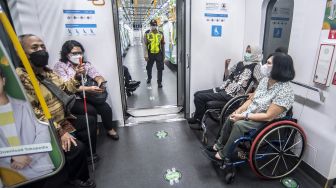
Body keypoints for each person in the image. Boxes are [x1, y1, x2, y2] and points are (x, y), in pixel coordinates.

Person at [16, 34, 95, 188]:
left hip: (61, 118)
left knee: (89, 121)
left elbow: (66, 88)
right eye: (34, 47)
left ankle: (82, 161)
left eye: (42, 46)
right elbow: (34, 112)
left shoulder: (47, 72)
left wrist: (77, 77)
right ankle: (76, 179)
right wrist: (59, 131)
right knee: (77, 149)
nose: (41, 50)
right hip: (45, 127)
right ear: (22, 53)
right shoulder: (23, 78)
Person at [203, 52, 295, 164]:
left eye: (269, 63)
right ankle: (218, 146)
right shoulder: (265, 80)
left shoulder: (285, 91)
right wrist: (239, 111)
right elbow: (252, 99)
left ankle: (224, 155)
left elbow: (268, 116)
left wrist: (243, 116)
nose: (265, 65)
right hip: (253, 112)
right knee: (231, 117)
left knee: (239, 125)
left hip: (265, 121)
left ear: (278, 68)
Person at [54, 40, 119, 140]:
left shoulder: (86, 64)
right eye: (74, 53)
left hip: (89, 94)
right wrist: (88, 88)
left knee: (106, 108)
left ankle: (109, 129)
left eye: (80, 53)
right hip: (73, 98)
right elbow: (67, 87)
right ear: (66, 54)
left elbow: (97, 75)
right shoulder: (60, 66)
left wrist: (101, 83)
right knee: (90, 110)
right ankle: (94, 128)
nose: (78, 55)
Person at [0, 67, 54, 186]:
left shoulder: (25, 105)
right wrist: (11, 158)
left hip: (38, 166)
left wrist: (29, 156)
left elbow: (43, 131)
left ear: (3, 80)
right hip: (8, 172)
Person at [187, 46, 263, 129]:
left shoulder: (256, 67)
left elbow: (262, 82)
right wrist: (226, 66)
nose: (247, 54)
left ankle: (198, 122)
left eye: (249, 52)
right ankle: (197, 118)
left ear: (255, 54)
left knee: (199, 97)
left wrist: (254, 93)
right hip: (224, 89)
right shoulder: (240, 63)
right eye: (246, 51)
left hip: (233, 95)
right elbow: (227, 77)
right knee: (197, 94)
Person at [143, 20, 165, 88]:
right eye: (152, 25)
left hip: (158, 54)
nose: (153, 27)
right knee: (149, 68)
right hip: (150, 54)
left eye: (154, 25)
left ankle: (159, 82)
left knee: (160, 69)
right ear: (150, 25)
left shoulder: (161, 34)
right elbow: (145, 45)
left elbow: (162, 45)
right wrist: (146, 55)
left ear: (156, 26)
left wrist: (163, 56)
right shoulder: (147, 33)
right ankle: (149, 78)